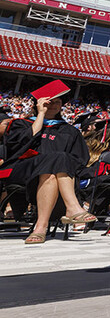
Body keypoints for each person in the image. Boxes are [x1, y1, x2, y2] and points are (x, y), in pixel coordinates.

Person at [1, 92, 94, 244]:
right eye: (48, 102)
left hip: (55, 176)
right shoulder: (20, 124)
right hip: (24, 170)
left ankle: (40, 227)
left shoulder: (70, 131)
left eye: (57, 102)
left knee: (53, 169)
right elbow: (22, 142)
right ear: (38, 104)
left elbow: (79, 159)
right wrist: (41, 115)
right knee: (57, 158)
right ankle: (73, 208)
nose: (53, 105)